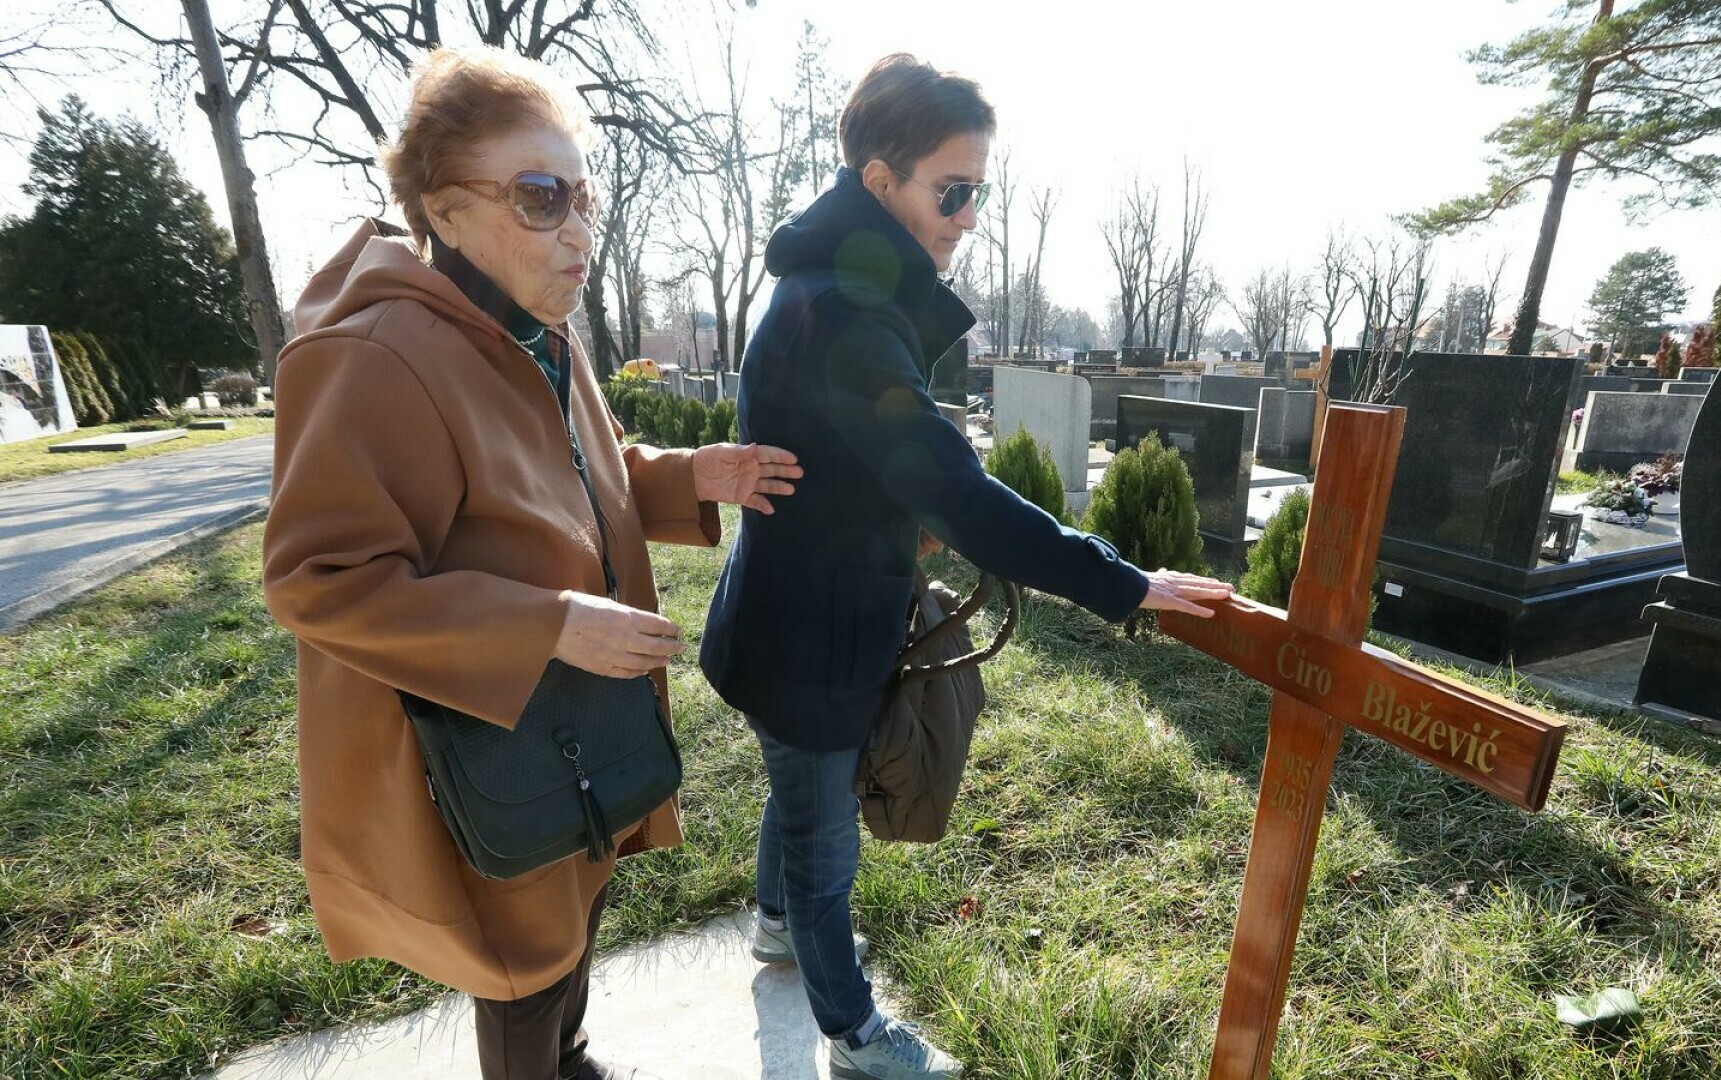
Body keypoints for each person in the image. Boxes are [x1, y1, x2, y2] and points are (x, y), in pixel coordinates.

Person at [261, 47, 800, 1080]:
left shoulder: (536, 333)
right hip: (492, 729)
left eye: (583, 197)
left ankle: (572, 1059)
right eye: (540, 198)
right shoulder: (377, 354)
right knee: (522, 954)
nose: (579, 233)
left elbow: (563, 476)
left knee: (577, 898)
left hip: (572, 716)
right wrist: (549, 624)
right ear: (443, 209)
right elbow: (318, 580)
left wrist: (689, 477)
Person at [700, 54, 1231, 1079]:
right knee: (825, 843)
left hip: (789, 617)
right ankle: (852, 1036)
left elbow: (862, 462)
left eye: (980, 190)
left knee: (797, 792)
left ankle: (772, 933)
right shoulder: (848, 315)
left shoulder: (835, 289)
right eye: (954, 190)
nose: (970, 213)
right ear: (880, 183)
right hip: (806, 636)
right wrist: (1121, 581)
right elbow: (959, 492)